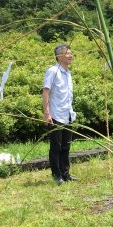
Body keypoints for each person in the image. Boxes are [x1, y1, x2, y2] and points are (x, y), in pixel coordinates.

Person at [43, 43, 77, 185]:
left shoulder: (68, 72)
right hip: (56, 114)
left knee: (66, 146)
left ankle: (65, 173)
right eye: (67, 53)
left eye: (71, 53)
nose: (71, 55)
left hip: (67, 114)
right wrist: (46, 113)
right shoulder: (52, 71)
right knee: (56, 146)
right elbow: (46, 91)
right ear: (59, 56)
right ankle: (57, 175)